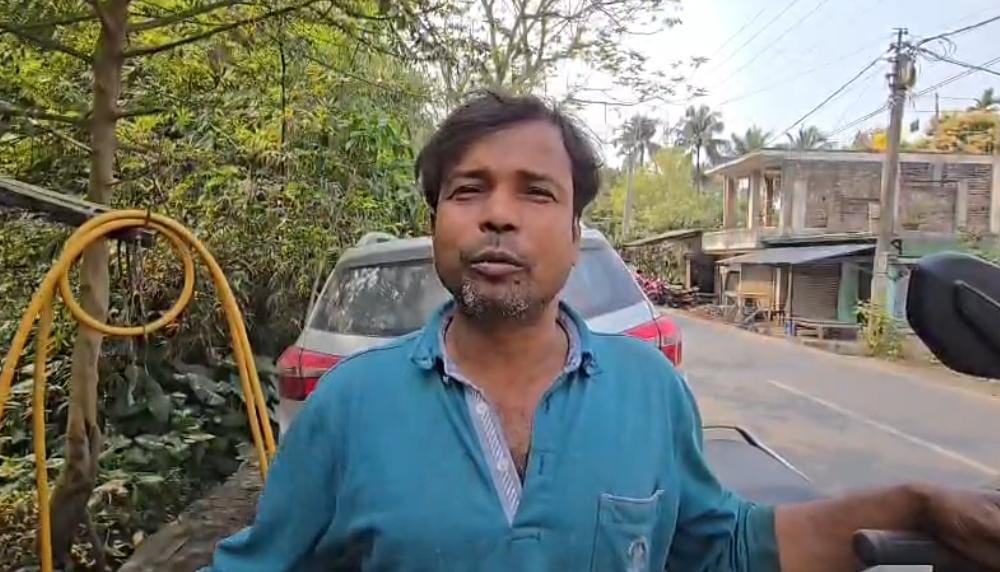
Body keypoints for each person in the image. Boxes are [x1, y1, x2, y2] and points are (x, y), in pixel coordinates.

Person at [205, 92, 1000, 571]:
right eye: (468, 189)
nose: (498, 213)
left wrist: (914, 506)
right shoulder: (350, 406)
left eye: (536, 192)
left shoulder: (649, 390)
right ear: (438, 219)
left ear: (575, 229)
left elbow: (723, 550)